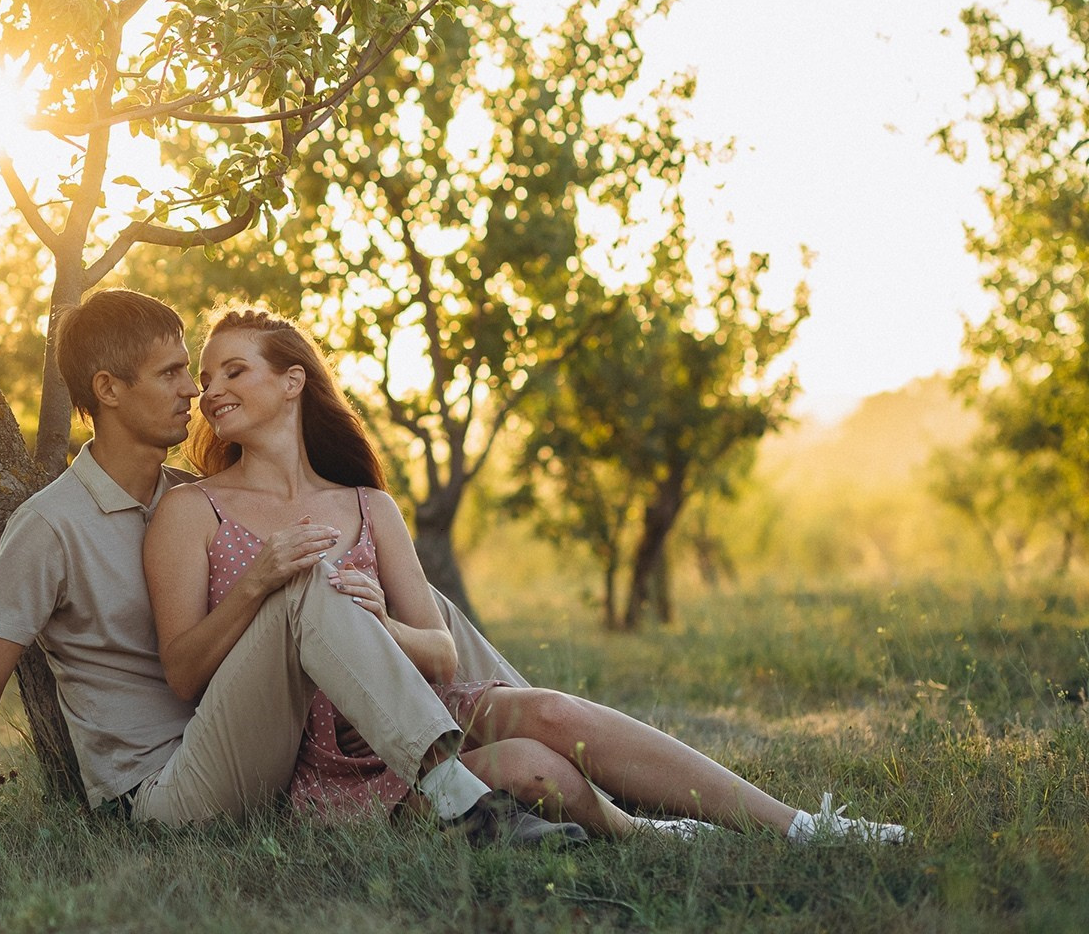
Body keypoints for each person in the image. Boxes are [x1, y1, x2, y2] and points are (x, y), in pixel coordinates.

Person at [143, 306, 907, 843]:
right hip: (312, 757)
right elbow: (182, 671)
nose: (210, 393)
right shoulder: (193, 509)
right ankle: (640, 835)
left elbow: (440, 656)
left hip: (418, 716)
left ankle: (802, 826)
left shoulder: (369, 505)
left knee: (549, 730)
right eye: (206, 379)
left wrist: (377, 628)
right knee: (532, 771)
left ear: (292, 381)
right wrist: (260, 581)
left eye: (232, 370)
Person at [0, 289, 583, 852]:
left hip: (262, 754)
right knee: (302, 583)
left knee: (356, 585)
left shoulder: (186, 498)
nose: (194, 391)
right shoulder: (50, 526)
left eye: (196, 371)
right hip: (165, 789)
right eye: (172, 373)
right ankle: (458, 798)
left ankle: (523, 755)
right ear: (110, 389)